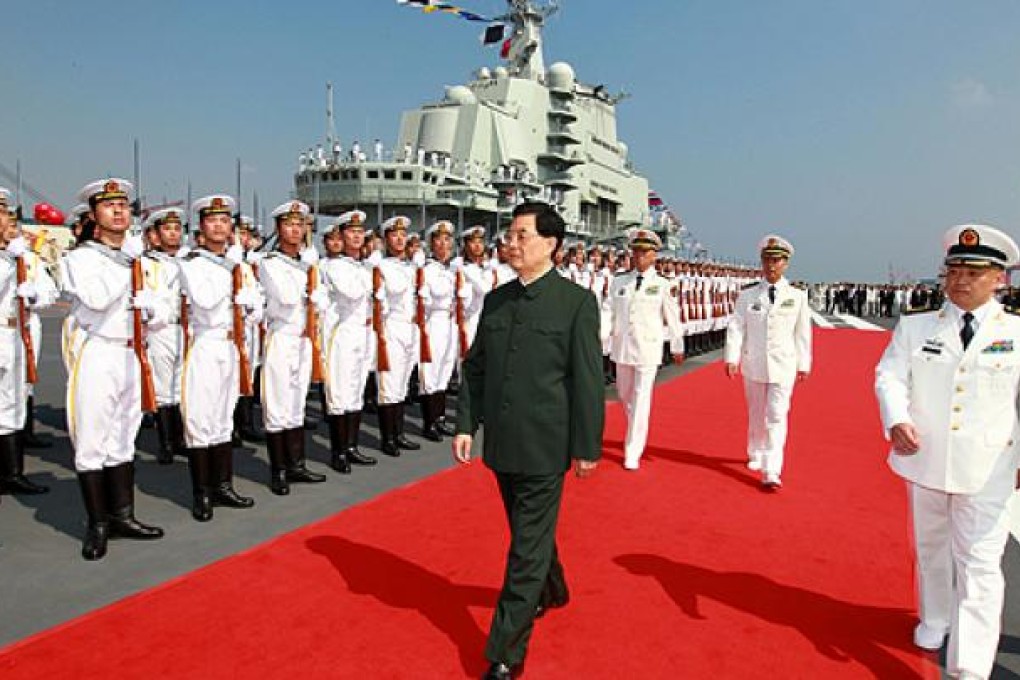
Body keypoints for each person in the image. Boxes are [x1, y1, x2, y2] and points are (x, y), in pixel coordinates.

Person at [453, 202, 605, 679]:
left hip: (545, 445)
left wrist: (588, 447)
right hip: (502, 443)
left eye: (522, 236)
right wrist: (465, 424)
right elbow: (475, 369)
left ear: (551, 244)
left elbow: (586, 380)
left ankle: (505, 653)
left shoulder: (576, 303)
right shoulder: (497, 300)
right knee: (529, 534)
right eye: (510, 235)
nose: (511, 244)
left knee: (523, 551)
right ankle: (552, 587)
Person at [875, 224, 1020, 680]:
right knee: (932, 548)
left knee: (979, 565)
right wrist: (896, 417)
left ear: (1000, 278)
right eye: (954, 269)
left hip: (989, 468)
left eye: (974, 271)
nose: (960, 279)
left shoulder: (1017, 331)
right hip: (927, 459)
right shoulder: (917, 325)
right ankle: (935, 618)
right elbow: (890, 376)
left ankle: (969, 669)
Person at [61, 178, 166, 559]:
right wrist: (127, 267)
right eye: (109, 206)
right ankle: (98, 524)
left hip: (132, 353)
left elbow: (161, 312)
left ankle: (123, 515)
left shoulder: (135, 258)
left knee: (123, 438)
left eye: (123, 204)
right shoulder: (81, 258)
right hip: (99, 352)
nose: (119, 211)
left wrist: (153, 306)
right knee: (92, 441)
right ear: (93, 215)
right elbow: (98, 297)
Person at [178, 195, 260, 520]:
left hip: (231, 346)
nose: (219, 226)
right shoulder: (192, 263)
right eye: (213, 220)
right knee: (201, 419)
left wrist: (250, 302)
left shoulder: (237, 265)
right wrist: (232, 273)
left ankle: (223, 485)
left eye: (225, 221)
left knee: (224, 419)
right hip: (207, 345)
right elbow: (207, 300)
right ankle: (202, 493)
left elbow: (255, 307)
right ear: (201, 227)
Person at [724, 234, 811, 489]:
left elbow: (802, 333)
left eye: (777, 260)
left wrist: (804, 363)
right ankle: (755, 451)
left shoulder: (797, 297)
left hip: (783, 364)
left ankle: (772, 469)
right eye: (767, 260)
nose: (771, 265)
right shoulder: (748, 295)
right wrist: (732, 357)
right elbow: (737, 327)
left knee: (777, 415)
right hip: (754, 364)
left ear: (786, 264)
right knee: (756, 414)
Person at [259, 201, 329, 493]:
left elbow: (321, 303)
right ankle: (278, 470)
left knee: (297, 404)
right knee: (277, 405)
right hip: (281, 337)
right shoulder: (269, 263)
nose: (296, 230)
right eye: (289, 224)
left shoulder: (308, 263)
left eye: (301, 225)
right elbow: (287, 297)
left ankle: (296, 464)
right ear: (278, 229)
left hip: (303, 339)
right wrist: (309, 276)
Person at [608, 229, 684, 470]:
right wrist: (599, 337)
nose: (639, 256)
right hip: (622, 347)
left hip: (648, 348)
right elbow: (608, 310)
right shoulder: (620, 281)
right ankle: (636, 428)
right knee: (624, 394)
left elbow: (672, 316)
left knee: (641, 398)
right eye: (636, 251)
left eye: (644, 252)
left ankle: (633, 450)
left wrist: (677, 344)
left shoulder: (663, 284)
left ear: (654, 256)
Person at [320, 211, 377, 472]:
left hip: (362, 332)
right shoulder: (333, 266)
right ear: (341, 236)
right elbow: (353, 293)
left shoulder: (362, 266)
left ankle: (352, 447)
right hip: (341, 333)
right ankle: (339, 451)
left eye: (359, 232)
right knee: (340, 393)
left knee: (356, 391)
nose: (356, 236)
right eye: (350, 232)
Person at [140, 208, 187, 464]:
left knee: (180, 387)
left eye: (177, 228)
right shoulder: (146, 264)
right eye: (167, 229)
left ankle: (180, 439)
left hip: (184, 328)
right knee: (163, 387)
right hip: (161, 329)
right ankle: (166, 442)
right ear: (155, 235)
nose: (173, 233)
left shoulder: (188, 261)